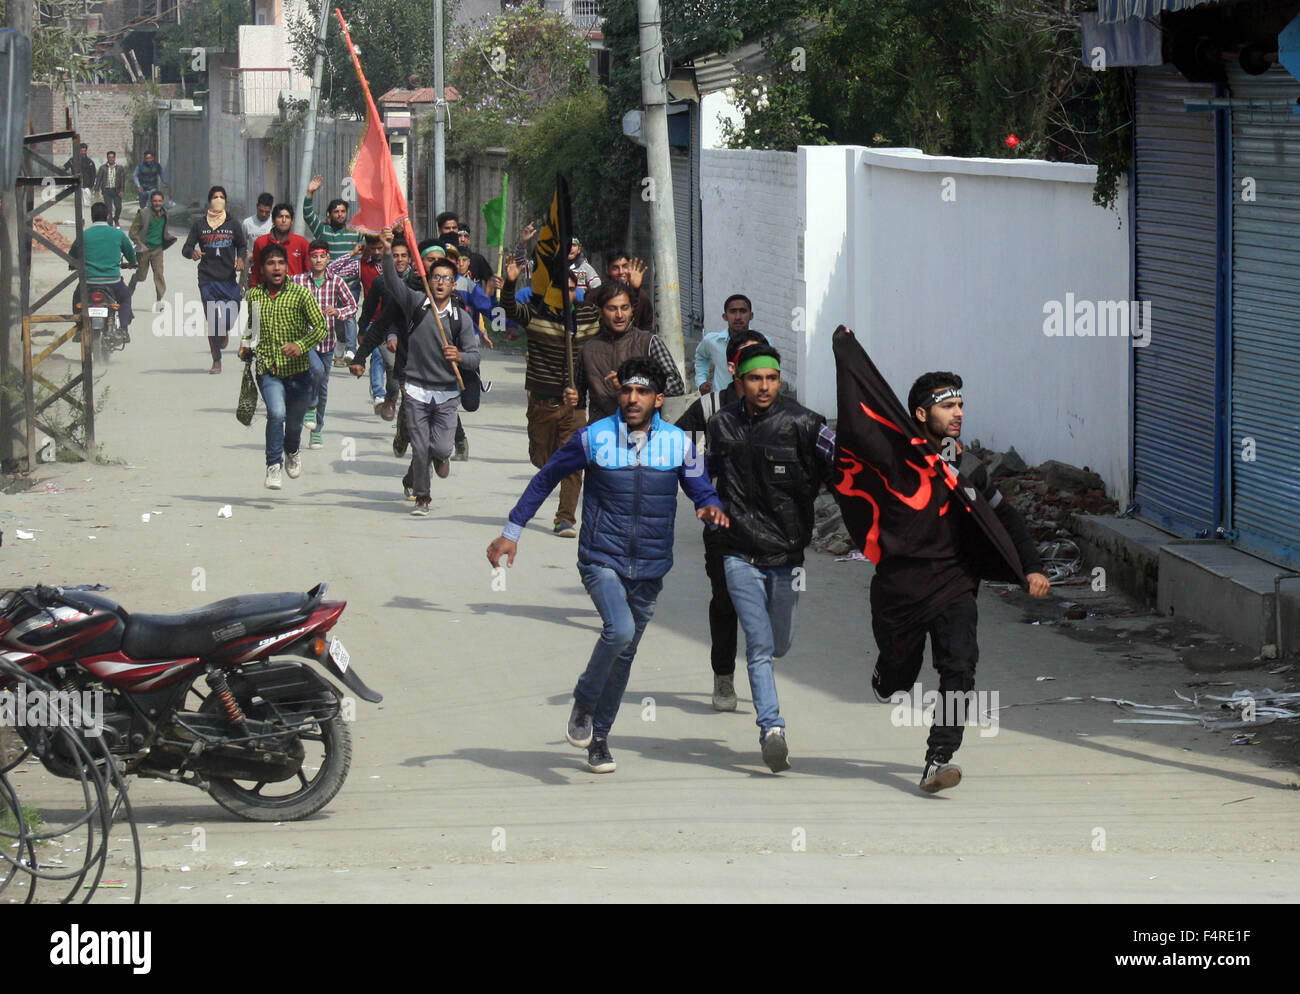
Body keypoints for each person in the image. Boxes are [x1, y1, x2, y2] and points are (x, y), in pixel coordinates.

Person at [486, 358, 729, 774]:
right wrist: (512, 530)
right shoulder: (593, 437)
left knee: (624, 654)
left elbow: (700, 485)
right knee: (619, 630)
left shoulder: (678, 443)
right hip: (601, 557)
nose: (632, 399)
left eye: (642, 392)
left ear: (658, 399)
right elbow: (546, 477)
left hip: (651, 566)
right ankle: (583, 699)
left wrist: (710, 505)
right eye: (627, 391)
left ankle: (599, 737)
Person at [866, 371, 1050, 793]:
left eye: (961, 405)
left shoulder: (968, 468)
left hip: (954, 583)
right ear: (920, 413)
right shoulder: (894, 463)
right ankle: (889, 673)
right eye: (948, 406)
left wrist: (1032, 566)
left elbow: (1006, 518)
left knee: (959, 668)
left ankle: (940, 757)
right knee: (898, 675)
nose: (958, 414)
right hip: (901, 587)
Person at [705, 344, 837, 773]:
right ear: (739, 381)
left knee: (779, 643)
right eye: (755, 378)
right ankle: (772, 729)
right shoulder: (720, 424)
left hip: (786, 556)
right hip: (737, 550)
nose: (764, 387)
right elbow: (697, 472)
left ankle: (769, 719)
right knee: (759, 647)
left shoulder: (806, 424)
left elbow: (847, 468)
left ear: (780, 380)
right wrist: (706, 506)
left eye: (772, 378)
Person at [675, 330, 770, 712]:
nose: (760, 376)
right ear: (733, 367)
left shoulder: (781, 412)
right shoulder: (710, 406)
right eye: (749, 362)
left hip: (774, 526)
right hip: (724, 523)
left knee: (770, 605)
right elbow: (684, 446)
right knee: (725, 600)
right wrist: (705, 488)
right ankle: (725, 676)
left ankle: (765, 662)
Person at [377, 226, 480, 515]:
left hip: (447, 393)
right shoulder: (417, 303)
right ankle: (423, 497)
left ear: (453, 284)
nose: (440, 282)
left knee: (443, 448)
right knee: (420, 447)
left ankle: (440, 457)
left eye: (447, 278)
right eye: (436, 277)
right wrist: (386, 252)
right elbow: (393, 284)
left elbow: (474, 358)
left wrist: (458, 354)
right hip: (416, 389)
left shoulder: (461, 319)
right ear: (429, 280)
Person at [501, 254, 600, 537]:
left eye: (571, 289)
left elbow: (622, 322)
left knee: (573, 463)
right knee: (542, 460)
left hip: (575, 405)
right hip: (542, 404)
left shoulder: (587, 315)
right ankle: (550, 469)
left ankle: (565, 518)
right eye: (561, 290)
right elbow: (509, 308)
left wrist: (630, 287)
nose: (567, 295)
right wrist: (509, 283)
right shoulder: (536, 313)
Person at [238, 243, 326, 490]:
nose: (276, 267)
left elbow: (321, 327)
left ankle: (292, 450)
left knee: (295, 423)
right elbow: (252, 327)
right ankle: (273, 465)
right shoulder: (254, 295)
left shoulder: (301, 294)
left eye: (280, 262)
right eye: (270, 263)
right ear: (262, 269)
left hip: (299, 372)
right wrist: (245, 344)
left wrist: (300, 345)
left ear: (287, 267)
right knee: (276, 413)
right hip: (268, 369)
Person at [568, 281, 684, 422]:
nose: (619, 315)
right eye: (612, 308)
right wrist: (572, 397)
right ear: (600, 311)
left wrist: (633, 384)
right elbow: (578, 396)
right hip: (603, 431)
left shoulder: (648, 342)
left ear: (631, 310)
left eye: (624, 308)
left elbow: (676, 384)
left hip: (642, 431)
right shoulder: (588, 349)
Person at [292, 240, 357, 451]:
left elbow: (352, 305)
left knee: (322, 386)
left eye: (322, 256)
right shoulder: (298, 281)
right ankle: (310, 405)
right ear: (308, 259)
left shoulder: (336, 281)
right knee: (316, 371)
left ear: (328, 258)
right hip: (305, 340)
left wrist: (337, 312)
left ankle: (317, 430)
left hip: (328, 342)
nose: (318, 260)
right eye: (314, 256)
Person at [181, 185, 246, 374]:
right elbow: (186, 248)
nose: (218, 200)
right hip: (207, 279)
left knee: (231, 312)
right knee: (213, 321)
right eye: (215, 197)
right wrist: (192, 253)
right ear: (209, 201)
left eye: (222, 197)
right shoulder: (199, 225)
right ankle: (216, 360)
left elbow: (241, 245)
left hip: (228, 278)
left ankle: (224, 330)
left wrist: (240, 259)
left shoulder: (233, 224)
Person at [327, 235, 389, 419]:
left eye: (380, 248)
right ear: (367, 247)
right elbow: (330, 269)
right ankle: (379, 394)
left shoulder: (395, 261)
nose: (377, 252)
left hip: (394, 319)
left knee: (387, 360)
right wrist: (351, 254)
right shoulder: (359, 264)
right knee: (377, 355)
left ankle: (385, 392)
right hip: (373, 319)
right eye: (373, 248)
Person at [303, 175, 362, 364]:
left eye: (343, 211)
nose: (340, 215)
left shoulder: (356, 232)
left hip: (351, 283)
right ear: (330, 214)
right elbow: (308, 216)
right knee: (336, 319)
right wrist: (310, 193)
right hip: (329, 284)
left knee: (350, 315)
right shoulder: (324, 231)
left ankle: (351, 351)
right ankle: (341, 343)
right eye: (336, 212)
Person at [68, 202, 136, 338]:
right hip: (113, 282)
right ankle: (123, 329)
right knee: (125, 297)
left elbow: (72, 256)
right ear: (108, 216)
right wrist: (132, 263)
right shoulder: (118, 234)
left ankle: (79, 326)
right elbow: (130, 254)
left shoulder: (84, 235)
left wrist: (72, 265)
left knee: (77, 298)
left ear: (92, 216)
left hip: (89, 282)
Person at [696, 294, 753, 396]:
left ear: (751, 315)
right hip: (720, 401)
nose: (738, 317)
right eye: (733, 311)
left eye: (743, 311)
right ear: (725, 316)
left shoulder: (762, 343)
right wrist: (701, 381)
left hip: (751, 401)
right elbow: (701, 356)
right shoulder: (712, 341)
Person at [127, 190, 173, 303]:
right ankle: (133, 282)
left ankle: (159, 301)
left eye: (159, 201)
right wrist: (141, 244)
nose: (157, 203)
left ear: (163, 202)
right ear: (151, 202)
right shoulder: (143, 214)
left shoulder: (165, 214)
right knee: (142, 276)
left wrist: (168, 237)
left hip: (158, 250)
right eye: (155, 201)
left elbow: (163, 230)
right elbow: (132, 232)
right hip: (144, 250)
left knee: (159, 274)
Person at [250, 204, 310, 287]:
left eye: (287, 217)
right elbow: (256, 270)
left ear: (292, 221)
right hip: (267, 292)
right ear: (273, 220)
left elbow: (309, 270)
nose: (284, 220)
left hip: (294, 292)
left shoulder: (301, 242)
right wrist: (254, 288)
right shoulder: (261, 242)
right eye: (280, 217)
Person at [604, 251, 652, 332]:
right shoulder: (597, 294)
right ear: (608, 270)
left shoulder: (641, 296)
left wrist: (635, 290)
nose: (621, 272)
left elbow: (647, 325)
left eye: (625, 267)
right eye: (615, 268)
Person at [242, 193, 275, 286]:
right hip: (252, 266)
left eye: (267, 212)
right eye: (261, 211)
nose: (264, 214)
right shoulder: (247, 223)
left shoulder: (274, 222)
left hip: (270, 265)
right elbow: (242, 245)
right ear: (257, 207)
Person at [93, 151, 126, 227]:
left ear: (115, 158)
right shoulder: (103, 168)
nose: (111, 159)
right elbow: (99, 179)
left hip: (116, 191)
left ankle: (116, 219)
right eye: (109, 157)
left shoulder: (120, 168)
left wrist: (122, 190)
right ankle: (110, 224)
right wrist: (96, 190)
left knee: (118, 207)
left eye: (112, 157)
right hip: (107, 190)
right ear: (107, 158)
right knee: (109, 209)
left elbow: (122, 180)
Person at [63, 143, 95, 212]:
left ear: (86, 151)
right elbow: (65, 167)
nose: (83, 153)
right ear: (79, 151)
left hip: (86, 186)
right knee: (77, 205)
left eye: (84, 151)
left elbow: (93, 175)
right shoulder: (72, 160)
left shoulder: (89, 162)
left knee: (86, 206)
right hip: (76, 186)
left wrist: (92, 186)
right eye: (81, 151)